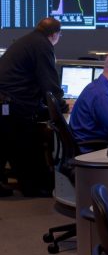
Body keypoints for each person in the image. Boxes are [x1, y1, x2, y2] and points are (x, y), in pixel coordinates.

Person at [0, 17, 67, 197]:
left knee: (6, 143)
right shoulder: (43, 46)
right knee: (25, 144)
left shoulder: (27, 41)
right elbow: (49, 83)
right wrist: (62, 106)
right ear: (54, 34)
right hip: (13, 104)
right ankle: (35, 188)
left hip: (6, 101)